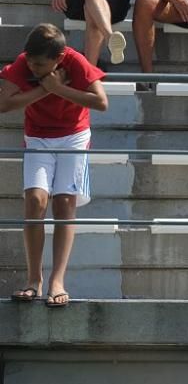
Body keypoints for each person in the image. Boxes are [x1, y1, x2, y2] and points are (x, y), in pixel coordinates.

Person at [0, 23, 108, 308]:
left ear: (59, 59)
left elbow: (101, 102)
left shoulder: (75, 61)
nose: (32, 68)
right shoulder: (26, 62)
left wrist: (58, 88)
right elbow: (4, 103)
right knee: (35, 201)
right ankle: (33, 280)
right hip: (37, 136)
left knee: (63, 204)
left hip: (73, 136)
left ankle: (57, 281)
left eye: (40, 65)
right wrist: (47, 90)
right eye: (31, 62)